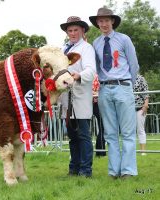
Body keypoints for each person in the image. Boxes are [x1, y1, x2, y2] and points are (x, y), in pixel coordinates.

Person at [89, 7, 139, 179]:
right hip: (104, 89)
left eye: (106, 20)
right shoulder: (95, 44)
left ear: (112, 21)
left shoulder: (124, 39)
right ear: (97, 23)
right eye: (100, 21)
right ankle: (113, 171)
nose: (104, 23)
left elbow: (134, 65)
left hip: (123, 86)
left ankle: (128, 171)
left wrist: (126, 85)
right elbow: (95, 67)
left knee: (127, 132)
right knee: (110, 133)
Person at [60, 16, 96, 177]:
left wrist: (77, 75)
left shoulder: (86, 48)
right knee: (72, 136)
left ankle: (85, 170)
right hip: (66, 98)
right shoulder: (63, 50)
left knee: (83, 134)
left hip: (80, 95)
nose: (73, 33)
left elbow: (91, 70)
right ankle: (73, 168)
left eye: (76, 30)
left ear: (82, 31)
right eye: (70, 30)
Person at [133, 74, 149, 156]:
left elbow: (146, 92)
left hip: (140, 108)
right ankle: (131, 151)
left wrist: (145, 105)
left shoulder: (141, 78)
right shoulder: (125, 77)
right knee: (129, 131)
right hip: (128, 108)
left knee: (140, 130)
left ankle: (143, 151)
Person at [92, 74, 106, 157]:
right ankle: (100, 151)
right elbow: (93, 90)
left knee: (102, 128)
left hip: (97, 104)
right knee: (102, 127)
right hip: (97, 104)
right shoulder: (97, 77)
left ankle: (100, 151)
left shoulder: (96, 76)